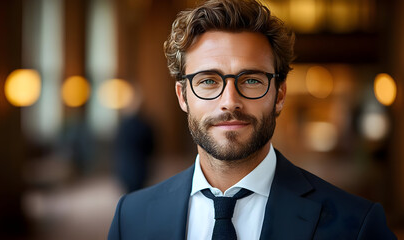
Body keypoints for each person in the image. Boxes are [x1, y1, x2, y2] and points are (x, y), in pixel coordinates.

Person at [108, 0, 396, 239]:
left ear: (279, 94)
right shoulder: (130, 218)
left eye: (251, 81)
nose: (230, 101)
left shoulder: (358, 224)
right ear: (183, 96)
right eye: (208, 81)